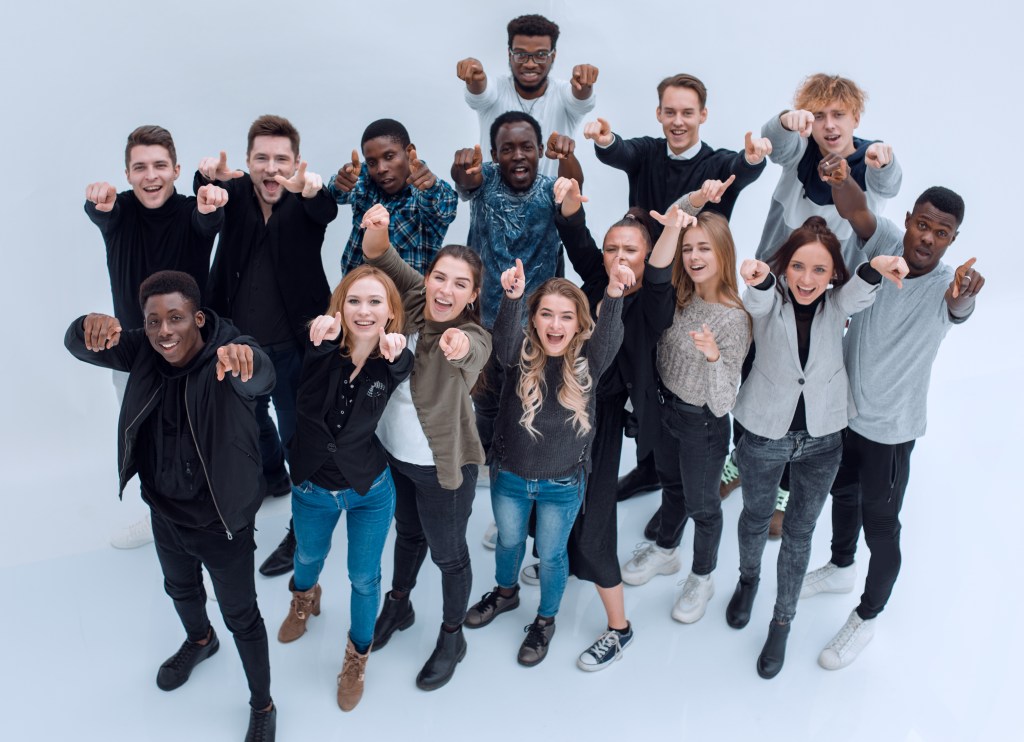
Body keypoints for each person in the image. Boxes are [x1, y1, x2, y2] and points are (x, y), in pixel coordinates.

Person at [65, 270, 277, 741]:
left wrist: (250, 361)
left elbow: (261, 374)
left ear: (197, 317)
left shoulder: (228, 354)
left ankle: (262, 703)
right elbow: (79, 346)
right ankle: (201, 640)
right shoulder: (143, 348)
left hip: (222, 521)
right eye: (154, 320)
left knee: (242, 616)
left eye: (176, 318)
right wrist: (85, 325)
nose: (165, 331)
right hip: (165, 512)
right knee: (179, 590)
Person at [799, 162, 983, 670]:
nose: (927, 238)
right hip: (845, 415)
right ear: (907, 219)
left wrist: (965, 297)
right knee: (843, 494)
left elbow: (960, 309)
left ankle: (868, 615)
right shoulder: (881, 240)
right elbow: (855, 206)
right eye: (922, 224)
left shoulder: (949, 285)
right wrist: (838, 175)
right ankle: (839, 566)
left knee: (882, 525)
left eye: (941, 233)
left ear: (952, 240)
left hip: (891, 431)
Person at [726, 218, 908, 679]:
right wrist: (762, 278)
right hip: (764, 432)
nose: (807, 280)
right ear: (785, 266)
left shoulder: (835, 302)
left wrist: (877, 266)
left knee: (800, 533)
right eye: (798, 268)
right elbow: (758, 298)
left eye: (820, 271)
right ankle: (748, 580)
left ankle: (782, 620)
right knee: (754, 517)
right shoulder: (771, 300)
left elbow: (860, 290)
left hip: (824, 440)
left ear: (832, 276)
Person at [586, 73, 771, 500]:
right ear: (658, 114)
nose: (678, 121)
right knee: (648, 378)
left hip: (697, 288)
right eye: (670, 112)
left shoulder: (717, 163)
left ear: (703, 115)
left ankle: (700, 472)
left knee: (693, 378)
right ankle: (650, 467)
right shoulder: (649, 153)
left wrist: (752, 158)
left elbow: (740, 170)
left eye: (688, 112)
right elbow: (620, 151)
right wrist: (605, 138)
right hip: (646, 290)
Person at [728, 73, 903, 516]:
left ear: (855, 117)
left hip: (825, 299)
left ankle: (785, 484)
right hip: (771, 287)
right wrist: (786, 121)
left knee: (803, 385)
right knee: (750, 371)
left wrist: (885, 160)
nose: (829, 124)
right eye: (819, 114)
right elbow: (777, 143)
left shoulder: (870, 158)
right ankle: (741, 455)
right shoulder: (801, 149)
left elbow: (888, 184)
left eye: (838, 115)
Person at [465, 258, 628, 667]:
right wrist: (513, 298)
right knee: (508, 541)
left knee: (553, 555)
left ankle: (545, 620)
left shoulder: (589, 361)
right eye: (547, 314)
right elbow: (500, 345)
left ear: (578, 323)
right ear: (534, 320)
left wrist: (613, 294)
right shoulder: (518, 353)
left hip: (561, 484)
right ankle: (505, 593)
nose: (556, 325)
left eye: (566, 317)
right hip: (511, 477)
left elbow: (609, 335)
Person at [197, 114, 339, 578]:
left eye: (282, 159)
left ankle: (302, 528)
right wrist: (206, 179)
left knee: (300, 434)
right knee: (252, 421)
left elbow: (327, 209)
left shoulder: (304, 201)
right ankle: (272, 479)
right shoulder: (234, 194)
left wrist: (313, 189)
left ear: (296, 163)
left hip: (296, 346)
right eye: (262, 158)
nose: (271, 168)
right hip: (238, 345)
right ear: (247, 162)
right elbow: (207, 200)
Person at [552, 178, 683, 671]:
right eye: (613, 249)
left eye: (631, 249)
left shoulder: (651, 300)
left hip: (605, 415)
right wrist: (568, 198)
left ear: (647, 256)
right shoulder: (593, 279)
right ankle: (560, 554)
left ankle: (618, 628)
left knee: (596, 511)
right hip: (561, 407)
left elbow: (661, 272)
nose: (619, 257)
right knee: (555, 495)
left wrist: (669, 231)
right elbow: (575, 234)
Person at [360, 203, 492, 692]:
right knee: (406, 533)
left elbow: (470, 350)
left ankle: (452, 636)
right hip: (394, 455)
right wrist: (378, 227)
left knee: (448, 554)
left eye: (460, 284)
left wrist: (457, 346)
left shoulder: (474, 333)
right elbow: (380, 254)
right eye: (441, 277)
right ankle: (400, 604)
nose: (446, 290)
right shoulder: (415, 295)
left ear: (474, 295)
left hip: (443, 468)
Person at [85, 124, 228, 549]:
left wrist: (213, 204)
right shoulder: (121, 211)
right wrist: (97, 201)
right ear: (127, 174)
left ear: (177, 169)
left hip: (193, 354)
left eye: (160, 166)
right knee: (150, 443)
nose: (151, 175)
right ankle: (160, 521)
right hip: (134, 353)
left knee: (200, 446)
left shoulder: (191, 209)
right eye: (140, 167)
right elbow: (100, 212)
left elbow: (209, 221)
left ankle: (216, 531)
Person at [277, 266, 412, 711]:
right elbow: (307, 402)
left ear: (390, 311)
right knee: (308, 556)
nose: (364, 310)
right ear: (340, 307)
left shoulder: (393, 360)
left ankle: (357, 656)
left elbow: (404, 363)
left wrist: (399, 351)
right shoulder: (320, 345)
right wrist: (319, 343)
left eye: (375, 302)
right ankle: (304, 598)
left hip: (368, 489)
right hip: (314, 486)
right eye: (354, 300)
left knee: (363, 576)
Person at [621, 212, 751, 627]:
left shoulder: (735, 317)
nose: (694, 257)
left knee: (704, 506)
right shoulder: (680, 294)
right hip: (666, 413)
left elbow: (722, 399)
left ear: (723, 252)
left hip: (703, 426)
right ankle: (666, 550)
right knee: (671, 488)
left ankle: (702, 576)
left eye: (704, 248)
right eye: (688, 248)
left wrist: (713, 356)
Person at [457, 13, 598, 179]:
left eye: (540, 55)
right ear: (509, 54)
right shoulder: (496, 90)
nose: (530, 64)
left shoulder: (562, 94)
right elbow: (481, 92)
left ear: (553, 56)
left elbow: (579, 99)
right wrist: (474, 77)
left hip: (552, 203)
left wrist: (585, 83)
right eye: (521, 54)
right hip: (493, 203)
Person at [330, 118, 457, 276]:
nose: (381, 169)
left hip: (407, 299)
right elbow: (339, 193)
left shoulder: (429, 192)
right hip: (356, 294)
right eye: (371, 162)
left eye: (389, 156)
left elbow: (445, 207)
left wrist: (429, 187)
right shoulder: (367, 182)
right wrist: (342, 183)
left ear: (409, 151)